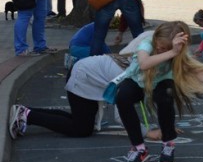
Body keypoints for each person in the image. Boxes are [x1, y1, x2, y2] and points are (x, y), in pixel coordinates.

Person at [114, 21, 203, 162]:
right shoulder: (147, 43)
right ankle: (139, 149)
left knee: (165, 97)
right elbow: (144, 63)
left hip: (161, 81)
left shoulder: (180, 53)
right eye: (159, 46)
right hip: (138, 78)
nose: (160, 49)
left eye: (165, 48)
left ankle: (168, 144)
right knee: (122, 97)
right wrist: (171, 52)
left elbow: (199, 72)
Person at [8, 51, 177, 141]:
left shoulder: (142, 65)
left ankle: (27, 112)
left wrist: (166, 125)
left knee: (79, 121)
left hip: (86, 73)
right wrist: (147, 133)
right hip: (83, 77)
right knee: (81, 129)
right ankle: (27, 115)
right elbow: (122, 114)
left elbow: (150, 99)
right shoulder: (129, 76)